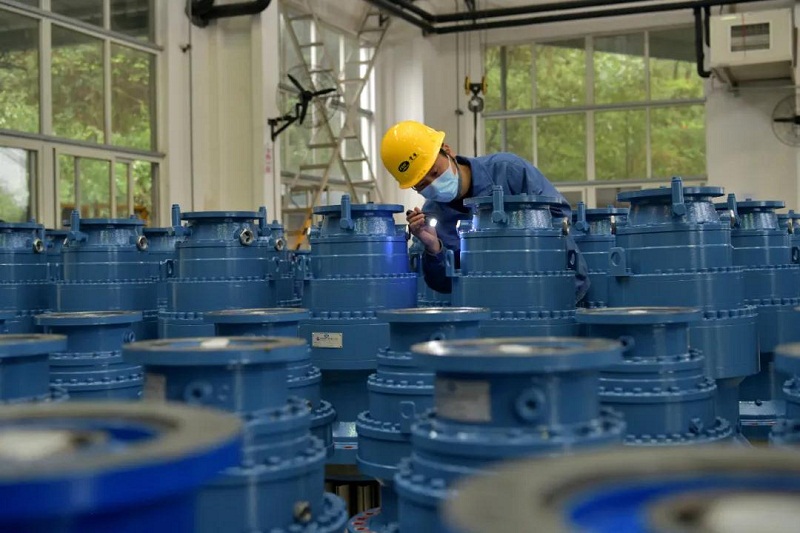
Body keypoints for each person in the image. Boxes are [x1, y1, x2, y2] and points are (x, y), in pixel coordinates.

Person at [380, 120, 589, 300]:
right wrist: (434, 249)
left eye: (434, 172)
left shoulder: (508, 171)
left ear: (447, 150)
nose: (433, 185)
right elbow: (443, 285)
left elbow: (560, 219)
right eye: (422, 184)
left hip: (549, 296)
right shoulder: (431, 219)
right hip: (487, 309)